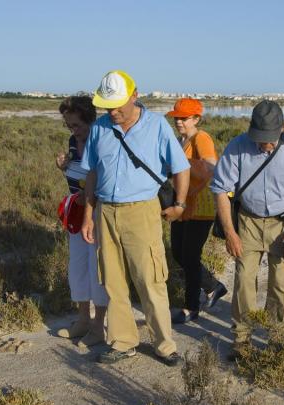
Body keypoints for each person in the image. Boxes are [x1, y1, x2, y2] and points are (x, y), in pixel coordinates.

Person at [80, 70, 191, 366]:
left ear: (134, 95)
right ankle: (123, 341)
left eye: (117, 105)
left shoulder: (157, 127)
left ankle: (164, 345)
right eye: (107, 106)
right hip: (106, 211)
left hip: (142, 211)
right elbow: (91, 172)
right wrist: (88, 214)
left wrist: (180, 204)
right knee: (113, 281)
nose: (112, 112)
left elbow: (181, 168)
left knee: (150, 280)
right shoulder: (99, 128)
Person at [211, 100, 284, 359]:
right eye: (259, 138)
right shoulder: (236, 147)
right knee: (244, 281)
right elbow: (221, 191)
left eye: (269, 139)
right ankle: (242, 340)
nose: (264, 145)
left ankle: (275, 338)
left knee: (280, 284)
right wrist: (231, 233)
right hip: (248, 223)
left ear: (283, 128)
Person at [165, 98, 227, 324]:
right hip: (182, 206)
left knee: (190, 256)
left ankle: (191, 308)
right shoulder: (182, 141)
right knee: (179, 253)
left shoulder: (201, 138)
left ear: (196, 119)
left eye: (184, 118)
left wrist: (182, 169)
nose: (179, 122)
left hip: (200, 207)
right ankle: (213, 286)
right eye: (177, 118)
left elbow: (211, 167)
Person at [55, 96, 108, 347]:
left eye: (76, 125)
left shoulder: (101, 140)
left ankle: (99, 326)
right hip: (76, 213)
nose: (72, 130)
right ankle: (83, 319)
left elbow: (101, 179)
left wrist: (86, 201)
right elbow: (79, 175)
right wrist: (64, 168)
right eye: (68, 126)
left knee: (96, 268)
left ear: (90, 119)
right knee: (77, 267)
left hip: (98, 212)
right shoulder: (73, 141)